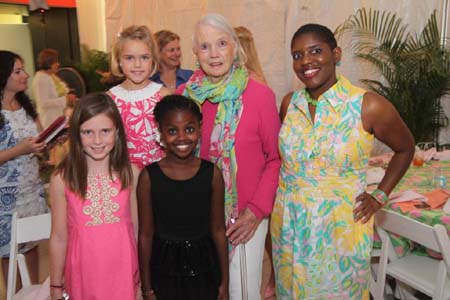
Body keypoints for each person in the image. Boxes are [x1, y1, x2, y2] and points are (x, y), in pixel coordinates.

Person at [271, 24, 415, 299]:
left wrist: (380, 196)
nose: (305, 62)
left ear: (335, 54)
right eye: (297, 55)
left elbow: (406, 148)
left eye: (315, 51)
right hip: (289, 226)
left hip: (337, 230)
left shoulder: (367, 105)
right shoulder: (290, 104)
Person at [179, 13, 281, 299]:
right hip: (197, 218)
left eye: (221, 43)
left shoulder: (259, 96)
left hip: (244, 219)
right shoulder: (184, 98)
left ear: (235, 47)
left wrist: (255, 212)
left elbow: (275, 159)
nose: (214, 54)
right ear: (195, 53)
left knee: (241, 292)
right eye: (205, 46)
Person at [49, 93, 140, 300]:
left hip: (124, 275)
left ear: (117, 132)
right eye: (88, 132)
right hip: (83, 276)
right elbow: (59, 237)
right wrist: (55, 285)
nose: (97, 140)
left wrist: (144, 280)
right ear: (76, 134)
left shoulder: (131, 174)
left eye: (105, 131)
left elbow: (137, 230)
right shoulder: (62, 179)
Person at [137, 94, 229, 300]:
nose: (181, 137)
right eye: (172, 131)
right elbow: (145, 235)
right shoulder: (148, 177)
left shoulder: (212, 173)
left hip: (205, 269)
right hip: (164, 270)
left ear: (199, 129)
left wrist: (225, 282)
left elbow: (218, 230)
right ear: (160, 133)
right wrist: (147, 288)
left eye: (189, 129)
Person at [0, 50, 48, 283]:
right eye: (18, 71)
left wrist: (50, 142)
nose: (25, 75)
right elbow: (21, 148)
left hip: (32, 191)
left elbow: (39, 141)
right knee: (10, 253)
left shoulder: (25, 106)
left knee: (32, 245)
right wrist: (18, 150)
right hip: (6, 198)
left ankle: (34, 294)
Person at [234, 25, 275, 299]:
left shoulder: (257, 89)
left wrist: (256, 207)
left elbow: (274, 155)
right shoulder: (197, 92)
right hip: (216, 209)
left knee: (245, 285)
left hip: (250, 199)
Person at [108, 25, 170, 169]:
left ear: (153, 60)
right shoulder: (110, 99)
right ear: (119, 60)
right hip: (124, 175)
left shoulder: (163, 95)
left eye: (144, 57)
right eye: (129, 58)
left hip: (160, 174)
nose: (137, 64)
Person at [32, 48, 76, 129]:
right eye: (56, 62)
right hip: (49, 121)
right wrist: (65, 99)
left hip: (59, 117)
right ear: (49, 63)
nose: (58, 64)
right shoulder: (40, 78)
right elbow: (43, 103)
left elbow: (62, 92)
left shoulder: (51, 76)